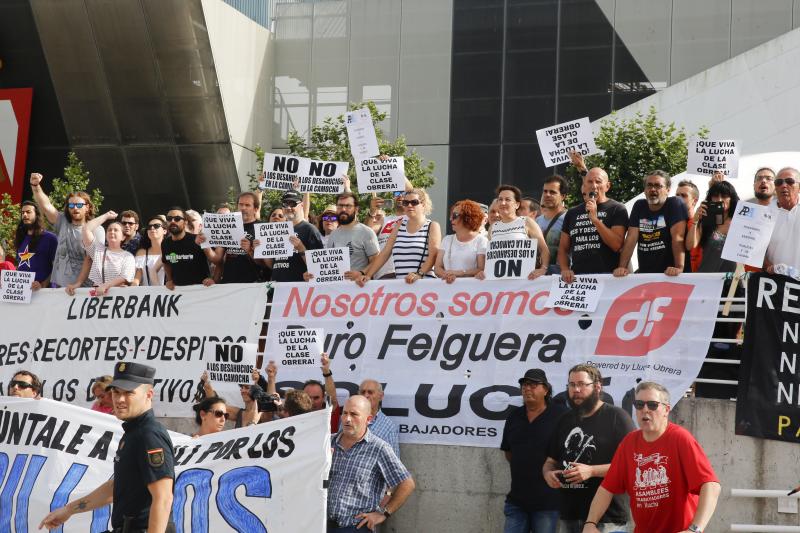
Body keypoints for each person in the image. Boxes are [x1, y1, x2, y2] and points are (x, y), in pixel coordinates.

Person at [39, 362, 175, 532]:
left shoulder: (149, 434)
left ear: (149, 395)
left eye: (129, 393)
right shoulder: (134, 432)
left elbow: (163, 498)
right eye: (116, 392)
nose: (119, 399)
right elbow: (116, 487)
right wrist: (68, 510)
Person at [583, 382, 721, 533]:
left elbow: (711, 486)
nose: (645, 410)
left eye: (653, 405)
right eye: (639, 404)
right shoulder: (629, 443)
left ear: (666, 410)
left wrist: (695, 529)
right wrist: (590, 523)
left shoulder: (680, 439)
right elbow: (606, 488)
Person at [543, 364, 634, 533]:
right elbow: (550, 461)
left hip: (608, 519)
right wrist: (548, 474)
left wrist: (592, 471)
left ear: (597, 387)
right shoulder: (564, 420)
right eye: (571, 384)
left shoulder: (617, 417)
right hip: (569, 516)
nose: (576, 389)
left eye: (582, 384)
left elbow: (632, 465)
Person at [327, 395, 415, 532]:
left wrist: (383, 513)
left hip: (354, 527)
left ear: (368, 419)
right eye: (345, 413)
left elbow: (407, 483)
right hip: (321, 524)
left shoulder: (379, 448)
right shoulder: (327, 442)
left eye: (354, 414)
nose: (347, 419)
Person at [501, 369, 568, 533]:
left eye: (533, 384)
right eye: (524, 385)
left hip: (547, 503)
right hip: (516, 501)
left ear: (545, 390)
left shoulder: (561, 416)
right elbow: (508, 452)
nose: (527, 388)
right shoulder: (514, 416)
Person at [29, 172, 104, 288]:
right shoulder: (63, 222)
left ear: (87, 207)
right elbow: (46, 206)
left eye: (79, 205)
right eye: (71, 206)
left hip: (85, 289)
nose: (75, 208)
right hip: (61, 287)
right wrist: (36, 186)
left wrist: (79, 284)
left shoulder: (97, 229)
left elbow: (94, 259)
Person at [558, 159, 628, 282]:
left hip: (608, 278)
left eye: (598, 181)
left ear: (607, 186)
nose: (594, 185)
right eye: (590, 181)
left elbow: (617, 245)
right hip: (578, 279)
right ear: (584, 185)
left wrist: (595, 220)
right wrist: (565, 269)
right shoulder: (572, 212)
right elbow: (563, 248)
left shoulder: (617, 209)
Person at [357, 188, 441, 284]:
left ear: (423, 204)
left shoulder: (432, 226)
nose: (409, 205)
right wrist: (368, 275)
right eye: (406, 202)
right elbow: (385, 253)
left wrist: (419, 274)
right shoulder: (399, 225)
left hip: (424, 283)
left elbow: (433, 255)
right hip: (401, 286)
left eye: (414, 202)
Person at [614, 170, 688, 276]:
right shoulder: (639, 206)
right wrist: (621, 267)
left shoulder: (675, 203)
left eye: (658, 186)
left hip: (669, 274)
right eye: (649, 185)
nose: (653, 189)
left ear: (667, 190)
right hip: (645, 275)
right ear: (644, 190)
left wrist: (679, 268)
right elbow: (631, 239)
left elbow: (678, 238)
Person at [480, 185, 549, 280]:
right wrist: (483, 272)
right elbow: (489, 257)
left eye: (507, 199)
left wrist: (543, 269)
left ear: (517, 204)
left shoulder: (526, 222)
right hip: (498, 283)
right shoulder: (493, 227)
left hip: (525, 281)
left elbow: (544, 249)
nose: (503, 203)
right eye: (500, 199)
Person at [66, 210, 136, 296]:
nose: (112, 232)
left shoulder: (128, 256)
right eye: (109, 230)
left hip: (118, 298)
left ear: (123, 237)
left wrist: (105, 286)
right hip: (98, 299)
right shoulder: (98, 251)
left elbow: (124, 277)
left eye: (116, 230)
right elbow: (86, 229)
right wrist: (106, 215)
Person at [259, 189, 324, 282]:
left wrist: (301, 249)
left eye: (293, 204)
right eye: (285, 204)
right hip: (278, 287)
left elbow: (319, 266)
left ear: (301, 205)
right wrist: (262, 248)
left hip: (299, 289)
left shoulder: (309, 229)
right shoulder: (277, 230)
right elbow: (274, 265)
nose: (289, 208)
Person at [204, 192, 264, 284]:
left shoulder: (261, 228)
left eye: (247, 205)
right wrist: (205, 244)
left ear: (255, 209)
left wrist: (250, 251)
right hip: (229, 284)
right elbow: (217, 259)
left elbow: (265, 264)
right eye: (241, 204)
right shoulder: (227, 226)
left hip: (252, 285)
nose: (243, 208)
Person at [322, 192, 380, 281]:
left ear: (356, 209)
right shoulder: (333, 235)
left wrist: (362, 273)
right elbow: (329, 264)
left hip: (360, 289)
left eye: (348, 206)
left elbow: (376, 260)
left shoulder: (366, 232)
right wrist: (313, 274)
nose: (343, 209)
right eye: (340, 206)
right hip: (337, 290)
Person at [686, 181, 739, 273]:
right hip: (707, 278)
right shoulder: (706, 220)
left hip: (732, 281)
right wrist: (695, 220)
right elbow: (690, 246)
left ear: (732, 198)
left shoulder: (740, 220)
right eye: (715, 196)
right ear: (710, 199)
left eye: (724, 196)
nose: (719, 199)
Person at [433, 199, 488, 282]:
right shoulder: (447, 239)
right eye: (451, 215)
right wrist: (448, 276)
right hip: (448, 287)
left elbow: (481, 269)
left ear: (468, 217)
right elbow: (437, 268)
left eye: (455, 215)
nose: (451, 219)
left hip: (471, 290)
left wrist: (459, 273)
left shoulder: (482, 240)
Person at [161, 207, 216, 288]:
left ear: (185, 222)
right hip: (178, 291)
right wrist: (169, 280)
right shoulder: (165, 243)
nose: (172, 221)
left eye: (177, 219)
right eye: (169, 219)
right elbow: (166, 263)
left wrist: (213, 279)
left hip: (201, 289)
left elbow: (217, 261)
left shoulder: (197, 240)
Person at [14, 200, 58, 289]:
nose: (25, 215)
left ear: (37, 215)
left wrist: (43, 284)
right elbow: (20, 266)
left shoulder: (50, 238)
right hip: (22, 292)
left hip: (44, 294)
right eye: (22, 213)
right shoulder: (20, 238)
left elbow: (58, 267)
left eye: (28, 212)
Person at [765, 167, 800, 273]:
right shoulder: (764, 213)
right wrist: (770, 268)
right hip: (776, 282)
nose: (784, 185)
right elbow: (755, 250)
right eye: (779, 182)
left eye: (790, 181)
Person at [356, 379, 399, 456]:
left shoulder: (388, 428)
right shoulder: (348, 419)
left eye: (370, 392)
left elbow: (393, 463)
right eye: (363, 392)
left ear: (381, 396)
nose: (366, 395)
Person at [536, 176, 568, 275]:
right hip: (538, 277)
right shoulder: (536, 221)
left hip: (561, 277)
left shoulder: (569, 218)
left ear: (563, 196)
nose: (547, 195)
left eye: (552, 192)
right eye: (545, 191)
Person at [675, 180, 702, 272]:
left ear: (694, 201)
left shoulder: (702, 222)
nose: (678, 198)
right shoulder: (671, 224)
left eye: (683, 195)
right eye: (677, 195)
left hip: (698, 278)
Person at [133, 215, 167, 286]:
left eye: (156, 226)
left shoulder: (172, 251)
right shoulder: (141, 253)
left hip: (170, 293)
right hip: (148, 295)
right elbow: (137, 278)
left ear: (164, 230)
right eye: (149, 227)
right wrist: (131, 287)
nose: (152, 228)